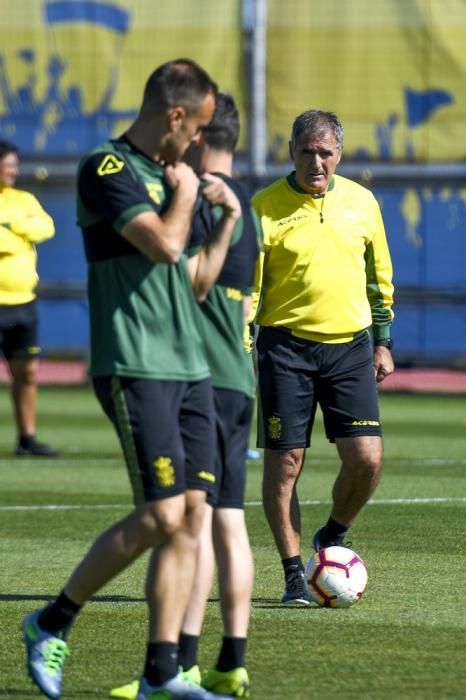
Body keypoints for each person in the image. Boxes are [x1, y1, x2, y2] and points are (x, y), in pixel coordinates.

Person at [20, 59, 241, 700]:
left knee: (192, 516)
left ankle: (160, 674)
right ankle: (51, 621)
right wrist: (186, 197)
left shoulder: (179, 176)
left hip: (192, 368)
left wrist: (222, 220)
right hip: (136, 363)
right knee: (163, 512)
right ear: (175, 117)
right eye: (195, 129)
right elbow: (166, 247)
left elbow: (196, 280)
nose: (200, 142)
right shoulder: (108, 168)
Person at [109, 94, 260, 700]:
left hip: (205, 377)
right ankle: (232, 661)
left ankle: (183, 664)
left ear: (197, 138)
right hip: (240, 375)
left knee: (195, 525)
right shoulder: (244, 205)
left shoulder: (201, 199)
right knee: (228, 520)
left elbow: (188, 284)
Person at [252, 109, 394, 605]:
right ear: (290, 151)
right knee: (286, 462)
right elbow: (249, 290)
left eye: (326, 152)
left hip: (350, 347)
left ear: (339, 154)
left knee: (367, 459)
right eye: (307, 151)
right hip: (284, 347)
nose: (316, 161)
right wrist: (240, 346)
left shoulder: (362, 202)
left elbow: (379, 276)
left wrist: (384, 339)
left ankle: (331, 537)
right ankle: (294, 573)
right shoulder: (263, 207)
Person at [0, 139, 60, 457]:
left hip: (23, 301)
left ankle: (27, 439)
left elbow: (46, 228)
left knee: (28, 372)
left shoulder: (24, 199)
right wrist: (15, 235)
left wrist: (14, 225)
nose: (13, 170)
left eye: (14, 164)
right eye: (7, 164)